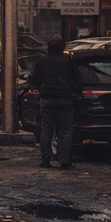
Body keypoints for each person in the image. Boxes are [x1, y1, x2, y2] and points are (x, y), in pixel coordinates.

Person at [29, 36, 82, 169]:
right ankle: (65, 159)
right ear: (63, 48)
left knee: (46, 128)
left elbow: (35, 80)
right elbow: (77, 79)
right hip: (65, 98)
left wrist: (41, 89)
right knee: (65, 130)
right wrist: (77, 93)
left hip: (47, 98)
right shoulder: (68, 62)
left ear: (48, 48)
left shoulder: (42, 61)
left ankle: (46, 159)